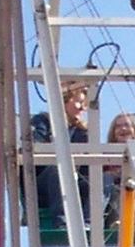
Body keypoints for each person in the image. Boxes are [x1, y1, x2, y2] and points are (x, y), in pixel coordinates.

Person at [30, 77, 90, 228]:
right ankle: (62, 223)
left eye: (85, 104)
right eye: (79, 103)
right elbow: (36, 148)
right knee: (60, 169)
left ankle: (89, 223)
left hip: (74, 181)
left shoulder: (83, 132)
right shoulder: (43, 121)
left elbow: (88, 168)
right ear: (64, 101)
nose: (83, 108)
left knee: (102, 180)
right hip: (46, 182)